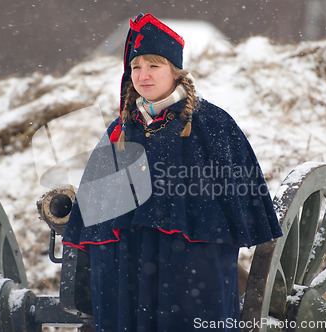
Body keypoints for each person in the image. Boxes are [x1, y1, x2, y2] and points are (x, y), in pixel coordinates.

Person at [63, 13, 282, 331]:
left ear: (176, 72)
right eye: (136, 67)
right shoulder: (122, 129)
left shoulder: (211, 124)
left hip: (189, 264)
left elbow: (235, 197)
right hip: (129, 261)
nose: (143, 75)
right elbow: (97, 209)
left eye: (154, 66)